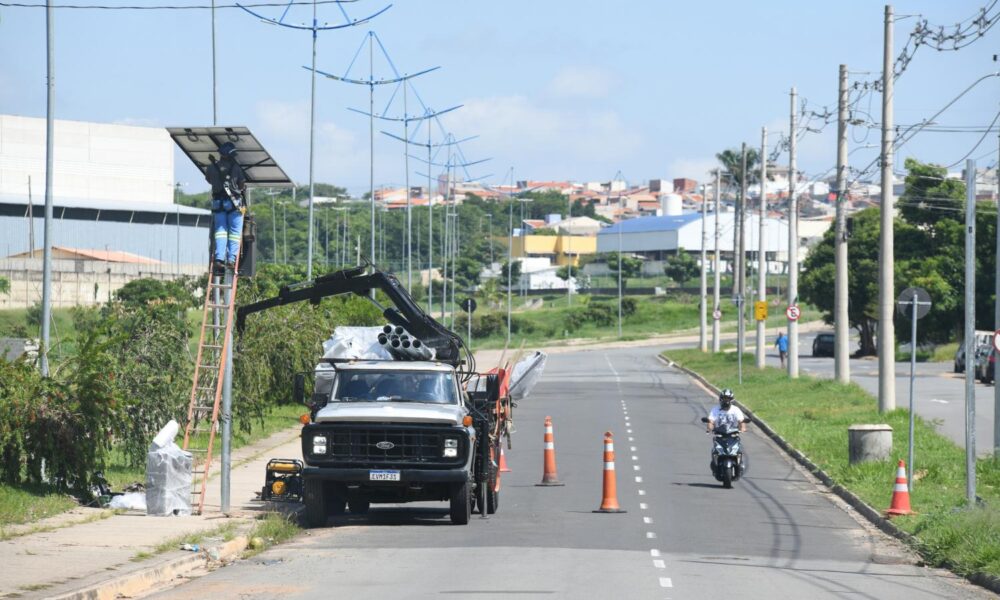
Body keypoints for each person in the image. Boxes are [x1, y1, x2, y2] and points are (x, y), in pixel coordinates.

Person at [205, 142, 247, 274]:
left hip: (218, 204)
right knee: (234, 233)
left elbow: (209, 180)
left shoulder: (212, 167)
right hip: (234, 204)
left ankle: (219, 259)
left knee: (220, 231)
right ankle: (231, 259)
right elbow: (241, 185)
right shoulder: (236, 167)